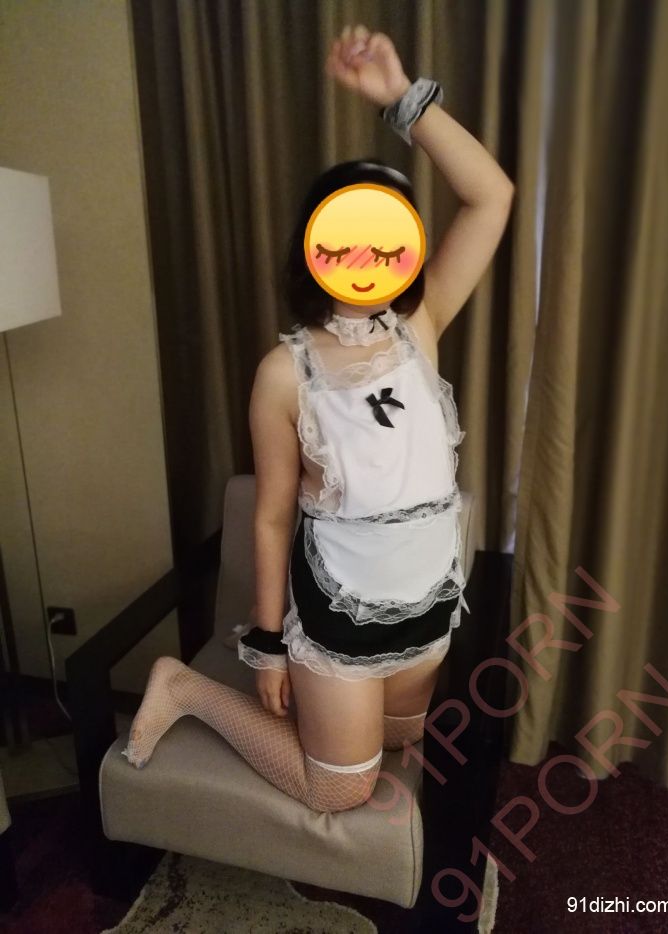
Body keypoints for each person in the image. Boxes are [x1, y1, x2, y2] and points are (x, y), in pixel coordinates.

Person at [122, 24, 514, 813]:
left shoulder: (422, 324)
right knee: (339, 791)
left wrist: (402, 99)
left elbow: (492, 195)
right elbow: (272, 517)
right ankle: (186, 688)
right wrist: (268, 644)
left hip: (429, 598)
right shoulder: (284, 372)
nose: (367, 255)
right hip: (339, 610)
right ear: (313, 248)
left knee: (403, 740)